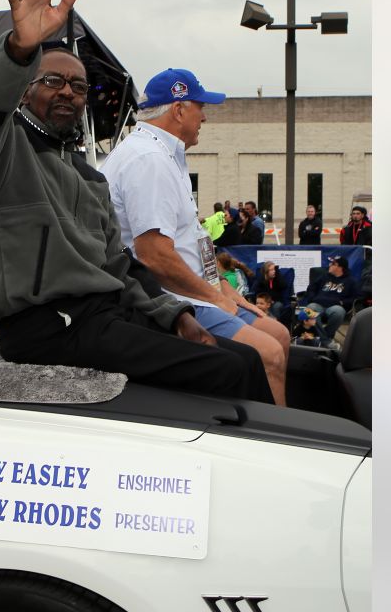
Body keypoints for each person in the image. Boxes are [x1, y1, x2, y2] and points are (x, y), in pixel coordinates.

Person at [0, 0, 272, 404]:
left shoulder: (87, 173)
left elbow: (120, 264)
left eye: (78, 87)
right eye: (54, 80)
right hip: (45, 326)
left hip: (101, 314)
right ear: (25, 89)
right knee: (227, 369)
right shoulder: (6, 154)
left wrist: (175, 315)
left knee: (248, 359)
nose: (68, 91)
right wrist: (18, 51)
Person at [101, 66, 290, 405]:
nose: (205, 117)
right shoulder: (148, 160)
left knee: (278, 333)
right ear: (178, 109)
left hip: (193, 292)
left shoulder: (164, 156)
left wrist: (230, 293)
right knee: (269, 353)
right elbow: (154, 256)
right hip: (169, 299)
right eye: (200, 106)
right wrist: (216, 298)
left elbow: (194, 244)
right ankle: (275, 446)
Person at [297, 255, 359, 350]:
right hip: (318, 304)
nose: (330, 265)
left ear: (340, 267)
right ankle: (326, 341)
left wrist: (342, 302)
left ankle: (322, 338)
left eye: (333, 263)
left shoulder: (351, 281)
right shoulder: (324, 276)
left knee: (338, 311)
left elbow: (354, 297)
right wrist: (312, 298)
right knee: (310, 309)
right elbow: (311, 288)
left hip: (335, 306)